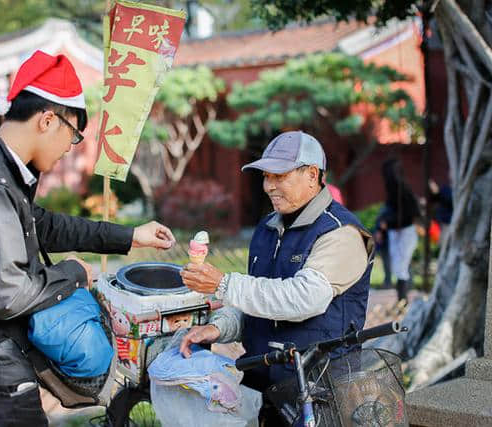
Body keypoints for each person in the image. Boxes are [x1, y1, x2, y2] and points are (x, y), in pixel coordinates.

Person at [0, 50, 176, 427]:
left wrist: (130, 235)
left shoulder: (2, 176)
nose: (69, 149)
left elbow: (47, 226)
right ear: (48, 120)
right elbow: (8, 294)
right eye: (73, 134)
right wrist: (73, 274)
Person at [179, 131, 373, 424]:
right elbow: (261, 300)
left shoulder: (341, 232)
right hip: (266, 383)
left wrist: (223, 284)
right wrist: (221, 327)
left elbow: (303, 299)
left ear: (312, 175)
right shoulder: (268, 227)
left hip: (320, 389)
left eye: (279, 176)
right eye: (266, 176)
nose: (269, 186)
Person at [381, 158, 421, 301]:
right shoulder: (394, 190)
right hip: (397, 231)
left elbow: (411, 212)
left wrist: (391, 223)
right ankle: (402, 300)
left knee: (401, 267)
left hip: (405, 231)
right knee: (398, 267)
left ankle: (403, 300)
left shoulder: (403, 190)